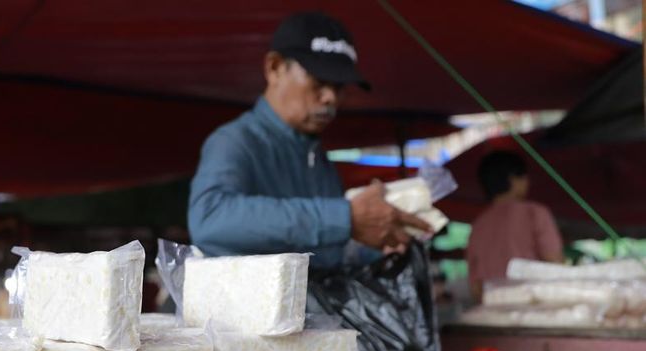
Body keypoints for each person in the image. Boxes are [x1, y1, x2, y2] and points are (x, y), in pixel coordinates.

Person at [187, 12, 429, 271]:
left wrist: (378, 244)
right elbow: (210, 219)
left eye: (339, 88)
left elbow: (323, 256)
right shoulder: (235, 141)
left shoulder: (320, 160)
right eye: (319, 81)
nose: (330, 98)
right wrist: (345, 218)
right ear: (275, 68)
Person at [466, 150, 563, 301]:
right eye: (524, 177)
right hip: (532, 310)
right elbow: (555, 265)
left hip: (492, 314)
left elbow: (475, 288)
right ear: (513, 180)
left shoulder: (477, 226)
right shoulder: (534, 213)